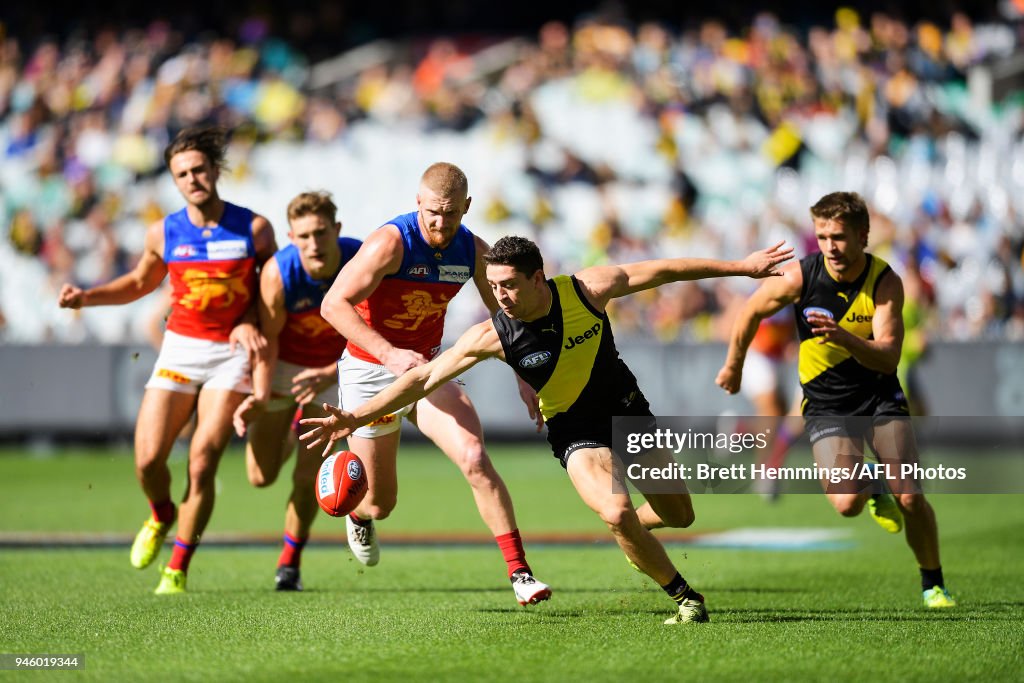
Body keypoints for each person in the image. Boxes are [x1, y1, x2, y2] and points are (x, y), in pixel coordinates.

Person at [303, 234, 793, 624]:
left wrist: (742, 266)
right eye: (493, 286)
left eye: (509, 285)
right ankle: (685, 596)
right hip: (572, 429)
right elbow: (424, 377)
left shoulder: (587, 289)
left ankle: (635, 540)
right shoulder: (493, 334)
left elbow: (664, 271)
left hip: (628, 412)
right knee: (616, 511)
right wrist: (357, 416)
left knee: (679, 515)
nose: (500, 296)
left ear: (539, 278)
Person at [319, 162, 551, 606]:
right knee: (378, 505)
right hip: (371, 370)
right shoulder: (390, 244)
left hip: (426, 369)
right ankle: (359, 513)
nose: (440, 223)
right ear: (418, 204)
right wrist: (389, 354)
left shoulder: (473, 250)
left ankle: (520, 573)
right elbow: (334, 305)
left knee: (475, 456)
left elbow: (505, 317)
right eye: (432, 213)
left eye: (451, 214)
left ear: (467, 207)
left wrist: (526, 377)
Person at [58, 127, 277, 594]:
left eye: (199, 169)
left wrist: (250, 321)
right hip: (181, 347)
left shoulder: (254, 229)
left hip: (230, 356)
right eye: (183, 173)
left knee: (202, 462)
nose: (193, 179)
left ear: (216, 171)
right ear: (174, 181)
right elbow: (139, 283)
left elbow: (272, 290)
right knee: (147, 460)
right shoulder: (163, 231)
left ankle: (176, 568)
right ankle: (161, 514)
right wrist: (87, 297)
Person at [715, 191, 955, 608]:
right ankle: (874, 484)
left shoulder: (885, 281)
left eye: (839, 237)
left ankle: (933, 583)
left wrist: (844, 337)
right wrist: (734, 365)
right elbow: (750, 311)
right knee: (846, 505)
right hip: (826, 404)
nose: (831, 247)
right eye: (822, 236)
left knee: (912, 497)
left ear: (863, 236)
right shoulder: (801, 278)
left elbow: (889, 356)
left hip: (879, 396)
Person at [232, 191, 362, 592]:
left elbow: (372, 329)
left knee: (308, 477)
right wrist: (259, 392)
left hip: (338, 371)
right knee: (260, 476)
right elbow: (268, 342)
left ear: (336, 230)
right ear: (291, 237)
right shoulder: (279, 272)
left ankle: (289, 563)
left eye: (321, 233)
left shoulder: (360, 260)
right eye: (303, 236)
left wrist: (330, 372)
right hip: (286, 370)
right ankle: (291, 424)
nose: (313, 244)